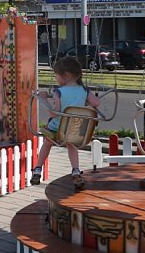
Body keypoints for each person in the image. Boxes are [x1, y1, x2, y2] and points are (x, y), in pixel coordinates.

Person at [30, 56, 101, 189]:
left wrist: (43, 99)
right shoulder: (84, 90)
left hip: (58, 129)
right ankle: (75, 170)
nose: (56, 79)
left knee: (47, 143)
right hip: (74, 130)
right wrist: (85, 101)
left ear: (66, 75)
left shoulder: (59, 92)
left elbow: (53, 113)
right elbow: (97, 103)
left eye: (56, 76)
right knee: (71, 145)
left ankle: (38, 168)